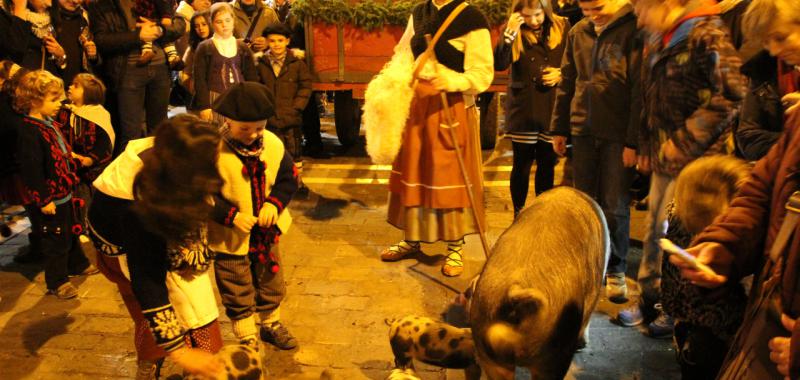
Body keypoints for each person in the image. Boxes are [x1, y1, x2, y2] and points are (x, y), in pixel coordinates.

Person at [674, 1, 800, 378]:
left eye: (780, 37)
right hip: (777, 312)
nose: (775, 51)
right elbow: (763, 188)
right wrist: (724, 244)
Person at [622, 0, 747, 333]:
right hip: (665, 157)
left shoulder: (708, 33)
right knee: (654, 232)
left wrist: (683, 140)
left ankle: (674, 308)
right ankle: (649, 299)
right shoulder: (657, 38)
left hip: (700, 164)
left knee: (681, 235)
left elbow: (732, 95)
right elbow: (650, 97)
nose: (637, 15)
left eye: (641, 7)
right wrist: (647, 146)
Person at [88, 114, 224, 379]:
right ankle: (156, 363)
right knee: (160, 309)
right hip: (126, 254)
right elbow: (147, 279)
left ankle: (199, 360)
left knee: (198, 301)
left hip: (160, 242)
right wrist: (180, 352)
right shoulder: (137, 206)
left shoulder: (173, 158)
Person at [379, 0, 494, 277]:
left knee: (448, 177)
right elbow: (405, 54)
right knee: (415, 174)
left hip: (450, 106)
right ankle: (412, 238)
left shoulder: (471, 17)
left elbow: (483, 73)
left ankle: (455, 247)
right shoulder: (419, 12)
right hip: (418, 107)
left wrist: (451, 81)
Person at [550, 0, 642, 301]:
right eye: (587, 8)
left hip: (617, 134)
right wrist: (559, 128)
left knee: (615, 204)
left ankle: (615, 269)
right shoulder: (578, 32)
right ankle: (589, 266)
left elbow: (639, 89)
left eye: (598, 7)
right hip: (583, 130)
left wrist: (633, 141)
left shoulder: (634, 29)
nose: (593, 15)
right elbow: (567, 80)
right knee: (585, 204)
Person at [208, 82, 300, 351]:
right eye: (243, 129)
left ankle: (271, 323)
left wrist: (274, 203)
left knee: (271, 277)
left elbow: (288, 179)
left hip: (266, 231)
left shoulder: (272, 143)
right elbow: (204, 193)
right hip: (230, 235)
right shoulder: (213, 149)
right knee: (235, 281)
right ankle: (246, 334)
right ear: (227, 120)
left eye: (259, 127)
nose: (252, 134)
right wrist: (231, 215)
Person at [659, 156, 750, 378]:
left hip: (695, 338)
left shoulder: (682, 234)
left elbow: (672, 301)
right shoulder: (727, 250)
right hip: (718, 342)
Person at [14, 70, 97, 299]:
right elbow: (31, 170)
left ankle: (77, 263)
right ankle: (57, 281)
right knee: (55, 238)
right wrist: (43, 199)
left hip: (64, 191)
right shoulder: (29, 131)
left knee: (70, 230)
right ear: (34, 101)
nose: (59, 102)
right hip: (51, 196)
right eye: (53, 99)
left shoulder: (48, 122)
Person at [494, 0, 569, 218]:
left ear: (546, 11)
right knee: (522, 164)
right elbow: (500, 63)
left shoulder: (563, 26)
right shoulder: (514, 31)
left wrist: (561, 73)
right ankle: (518, 214)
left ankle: (540, 216)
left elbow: (574, 61)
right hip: (524, 106)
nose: (533, 21)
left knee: (547, 164)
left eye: (537, 15)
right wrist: (510, 32)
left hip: (551, 105)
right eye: (527, 16)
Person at [87, 0, 186, 155]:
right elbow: (101, 41)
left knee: (159, 130)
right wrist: (137, 36)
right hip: (127, 72)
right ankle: (128, 176)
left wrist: (161, 29)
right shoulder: (102, 6)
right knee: (130, 133)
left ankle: (155, 173)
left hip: (161, 69)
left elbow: (180, 24)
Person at [257, 22, 311, 192]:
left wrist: (297, 107)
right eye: (272, 41)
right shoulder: (260, 64)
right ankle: (275, 183)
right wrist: (264, 109)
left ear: (288, 41)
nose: (276, 44)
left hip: (291, 116)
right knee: (271, 151)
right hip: (270, 117)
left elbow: (305, 86)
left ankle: (298, 182)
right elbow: (257, 87)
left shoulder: (297, 63)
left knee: (294, 152)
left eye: (280, 40)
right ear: (266, 42)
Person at [55, 73, 114, 226]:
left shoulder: (98, 114)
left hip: (95, 169)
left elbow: (104, 142)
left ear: (88, 92)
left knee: (97, 203)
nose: (70, 87)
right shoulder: (65, 112)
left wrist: (90, 159)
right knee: (80, 202)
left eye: (76, 85)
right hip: (75, 168)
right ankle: (81, 227)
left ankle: (98, 227)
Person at [191, 1, 258, 123]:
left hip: (240, 100)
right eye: (219, 21)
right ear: (212, 24)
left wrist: (252, 100)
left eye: (227, 20)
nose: (224, 25)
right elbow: (199, 79)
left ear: (233, 22)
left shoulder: (242, 46)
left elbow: (251, 76)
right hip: (216, 99)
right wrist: (205, 106)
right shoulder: (205, 47)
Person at [736, 48, 798, 161]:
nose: (774, 49)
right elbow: (748, 138)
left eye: (780, 38)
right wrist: (793, 143)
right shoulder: (764, 67)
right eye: (768, 40)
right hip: (780, 172)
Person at [50, 0, 98, 86]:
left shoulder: (83, 19)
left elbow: (89, 62)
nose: (76, 1)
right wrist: (61, 57)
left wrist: (92, 54)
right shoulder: (44, 19)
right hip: (52, 87)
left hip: (77, 88)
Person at [132, 0, 184, 69]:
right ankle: (173, 57)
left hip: (161, 65)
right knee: (149, 33)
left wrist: (166, 18)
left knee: (151, 33)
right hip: (151, 19)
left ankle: (147, 51)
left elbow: (179, 26)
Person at [179, 10, 210, 96]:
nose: (201, 28)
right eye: (197, 26)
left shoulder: (221, 42)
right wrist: (194, 91)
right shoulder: (193, 48)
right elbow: (185, 74)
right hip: (200, 93)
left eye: (204, 24)